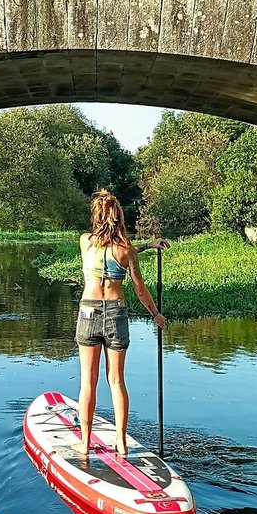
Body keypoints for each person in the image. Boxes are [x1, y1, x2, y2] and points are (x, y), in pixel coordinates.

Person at [75, 188, 166, 458]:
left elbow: (104, 247)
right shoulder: (126, 249)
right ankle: (121, 441)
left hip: (88, 311)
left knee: (88, 381)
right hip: (116, 312)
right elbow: (139, 288)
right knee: (116, 380)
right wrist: (155, 314)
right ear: (119, 216)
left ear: (97, 216)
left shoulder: (85, 242)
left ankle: (85, 442)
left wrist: (148, 245)